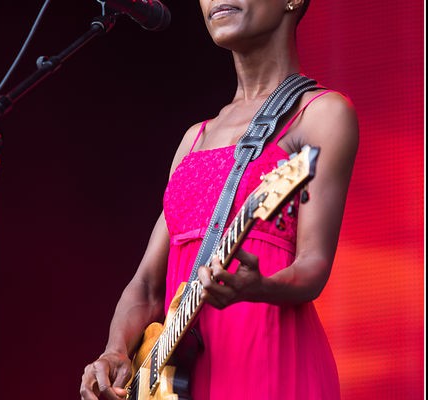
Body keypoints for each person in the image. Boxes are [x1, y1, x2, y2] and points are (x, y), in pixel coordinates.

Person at [80, 0, 359, 399]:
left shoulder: (322, 114)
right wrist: (115, 350)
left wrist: (258, 286)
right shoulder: (194, 139)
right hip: (187, 378)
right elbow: (146, 287)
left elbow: (313, 264)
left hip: (272, 366)